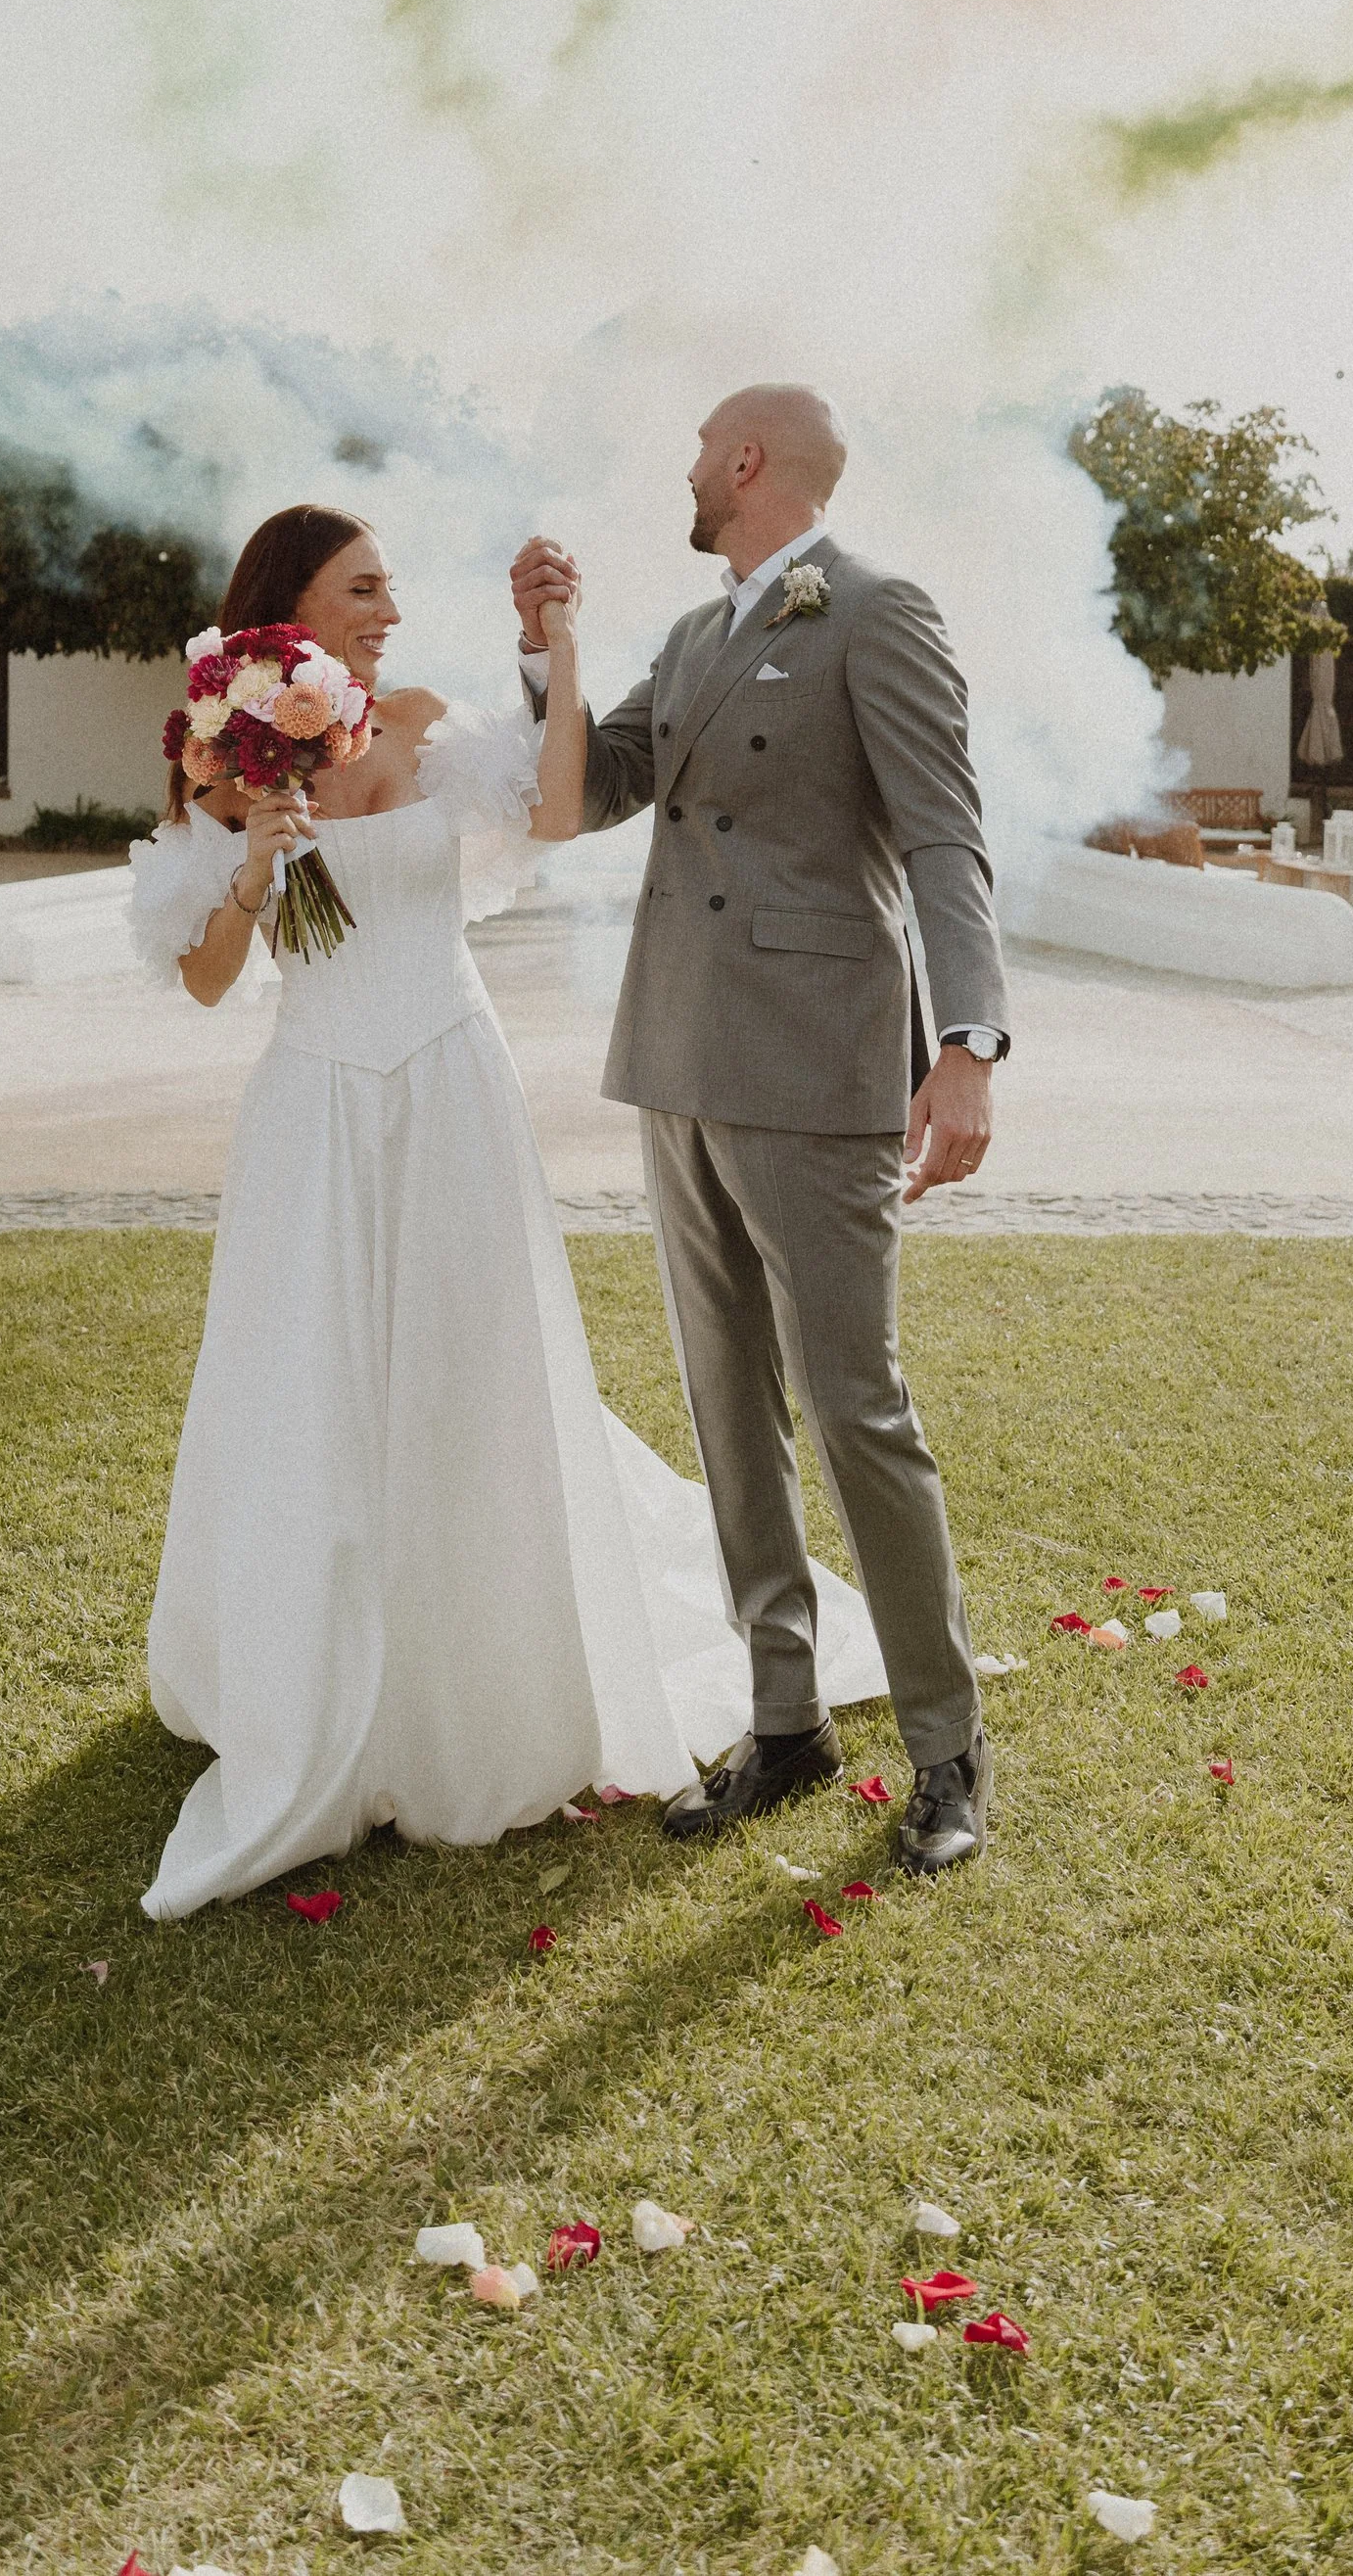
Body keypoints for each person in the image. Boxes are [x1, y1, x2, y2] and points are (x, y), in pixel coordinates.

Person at [126, 500, 882, 1920]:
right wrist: (252, 859)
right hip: (319, 1111)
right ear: (288, 606)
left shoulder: (417, 723)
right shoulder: (221, 759)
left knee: (470, 1376)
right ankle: (320, 1674)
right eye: (364, 589)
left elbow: (549, 805)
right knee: (318, 1385)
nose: (389, 612)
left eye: (392, 588)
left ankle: (482, 1682)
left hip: (448, 1086)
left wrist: (559, 648)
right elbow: (212, 978)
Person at [510, 385, 1008, 1878]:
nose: (678, 469)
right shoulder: (689, 635)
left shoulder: (876, 608)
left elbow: (943, 833)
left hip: (816, 1063)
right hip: (677, 1050)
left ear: (746, 461)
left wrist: (968, 1042)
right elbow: (595, 787)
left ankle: (946, 1746)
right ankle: (785, 1719)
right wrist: (551, 659)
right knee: (729, 1407)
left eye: (695, 450)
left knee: (855, 1407)